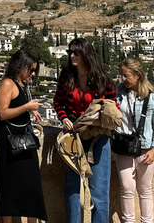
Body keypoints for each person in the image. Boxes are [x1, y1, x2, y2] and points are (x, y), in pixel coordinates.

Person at [54, 37, 117, 223]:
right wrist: (64, 118)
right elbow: (58, 102)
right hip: (74, 139)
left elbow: (113, 107)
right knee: (72, 188)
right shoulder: (67, 76)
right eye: (70, 52)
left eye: (76, 52)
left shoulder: (101, 79)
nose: (72, 56)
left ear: (86, 54)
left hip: (98, 139)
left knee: (99, 190)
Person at [0, 49, 48, 223]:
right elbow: (2, 113)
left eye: (34, 70)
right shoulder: (8, 84)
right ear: (19, 67)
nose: (32, 74)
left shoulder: (23, 85)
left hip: (23, 141)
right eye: (30, 69)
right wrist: (26, 107)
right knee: (8, 187)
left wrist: (31, 110)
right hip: (9, 143)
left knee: (31, 187)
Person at [114, 58, 154, 223]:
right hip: (123, 147)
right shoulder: (118, 94)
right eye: (122, 75)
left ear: (137, 75)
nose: (123, 79)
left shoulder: (153, 99)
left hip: (145, 150)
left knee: (144, 190)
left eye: (126, 76)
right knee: (126, 189)